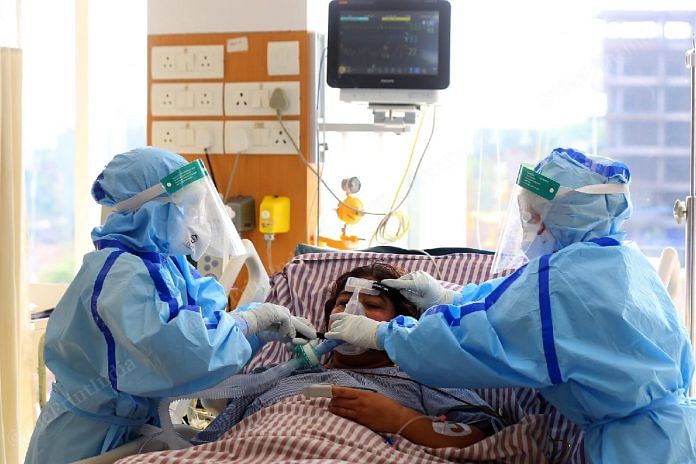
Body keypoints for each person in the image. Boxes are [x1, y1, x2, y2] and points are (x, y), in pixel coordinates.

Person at [326, 147, 696, 463]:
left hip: (640, 448)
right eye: (343, 302)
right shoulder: (616, 261)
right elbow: (512, 301)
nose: (352, 311)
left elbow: (475, 342)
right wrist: (450, 298)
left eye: (534, 217)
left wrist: (386, 336)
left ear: (563, 219)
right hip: (675, 434)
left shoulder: (563, 283)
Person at [25, 147, 316, 464]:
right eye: (188, 209)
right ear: (151, 211)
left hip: (129, 432)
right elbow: (183, 354)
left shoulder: (165, 262)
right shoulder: (122, 277)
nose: (196, 222)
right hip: (83, 441)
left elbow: (202, 321)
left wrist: (254, 332)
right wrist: (250, 323)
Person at [190, 263, 503, 453]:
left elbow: (483, 437)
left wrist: (402, 420)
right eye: (343, 301)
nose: (352, 311)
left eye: (371, 305)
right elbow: (214, 441)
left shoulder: (420, 377)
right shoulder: (281, 374)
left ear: (402, 322)